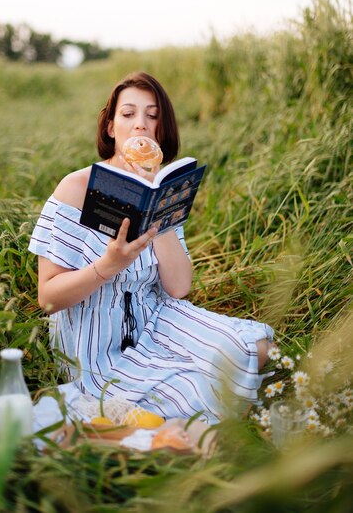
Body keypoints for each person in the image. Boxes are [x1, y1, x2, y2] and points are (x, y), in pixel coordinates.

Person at [28, 71, 274, 424]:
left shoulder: (162, 187)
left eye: (152, 116)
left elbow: (178, 287)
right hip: (98, 341)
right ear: (111, 127)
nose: (140, 125)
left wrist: (157, 206)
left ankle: (205, 401)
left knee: (253, 349)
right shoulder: (76, 188)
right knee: (197, 392)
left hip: (156, 316)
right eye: (128, 114)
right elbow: (48, 298)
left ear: (161, 129)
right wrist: (107, 265)